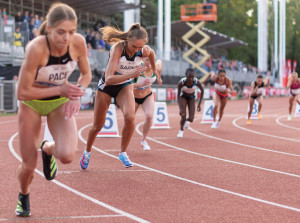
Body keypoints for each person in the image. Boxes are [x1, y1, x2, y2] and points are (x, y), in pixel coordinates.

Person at [15, 3, 91, 217]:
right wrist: (62, 88)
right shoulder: (36, 49)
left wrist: (78, 92)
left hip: (58, 102)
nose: (66, 38)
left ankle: (47, 148)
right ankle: (24, 194)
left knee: (67, 155)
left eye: (71, 32)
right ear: (48, 29)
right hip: (31, 103)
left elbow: (86, 75)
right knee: (29, 166)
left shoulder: (78, 44)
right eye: (61, 32)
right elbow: (22, 92)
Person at [80, 23, 157, 169]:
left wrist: (154, 70)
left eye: (140, 48)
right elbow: (109, 78)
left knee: (130, 117)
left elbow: (151, 53)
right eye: (134, 46)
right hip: (107, 87)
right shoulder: (118, 49)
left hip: (124, 85)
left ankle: (123, 152)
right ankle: (87, 151)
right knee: (98, 125)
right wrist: (133, 74)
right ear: (127, 40)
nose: (137, 50)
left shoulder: (144, 51)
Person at [133, 58, 162, 150]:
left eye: (151, 60)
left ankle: (144, 140)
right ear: (142, 59)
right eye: (146, 60)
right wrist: (141, 84)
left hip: (147, 95)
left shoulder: (155, 67)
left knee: (149, 116)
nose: (149, 63)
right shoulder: (136, 68)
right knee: (129, 119)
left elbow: (160, 62)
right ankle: (125, 143)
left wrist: (159, 77)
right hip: (134, 97)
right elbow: (127, 84)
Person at [177, 68, 204, 137]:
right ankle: (181, 130)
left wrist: (199, 104)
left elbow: (202, 91)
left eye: (192, 77)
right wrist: (180, 108)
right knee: (183, 115)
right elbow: (178, 95)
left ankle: (186, 121)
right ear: (186, 76)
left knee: (191, 119)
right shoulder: (182, 82)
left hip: (192, 98)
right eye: (189, 77)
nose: (191, 79)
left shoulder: (196, 82)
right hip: (183, 97)